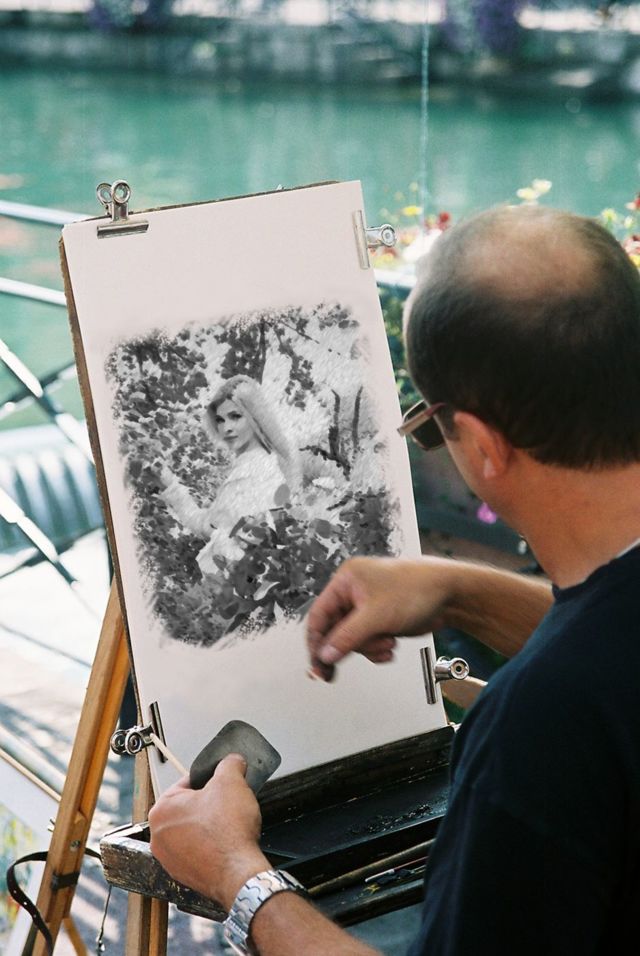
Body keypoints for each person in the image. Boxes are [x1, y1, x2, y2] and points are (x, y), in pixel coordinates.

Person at [148, 204, 640, 955]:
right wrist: (460, 590)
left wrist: (238, 877)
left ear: (481, 445)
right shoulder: (584, 683)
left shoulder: (533, 732)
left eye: (430, 427)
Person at [161, 374, 300, 569]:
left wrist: (219, 538)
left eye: (235, 416)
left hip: (247, 577)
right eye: (220, 420)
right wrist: (170, 485)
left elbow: (259, 548)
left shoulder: (264, 469)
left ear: (254, 416)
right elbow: (207, 524)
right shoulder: (243, 467)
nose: (226, 428)